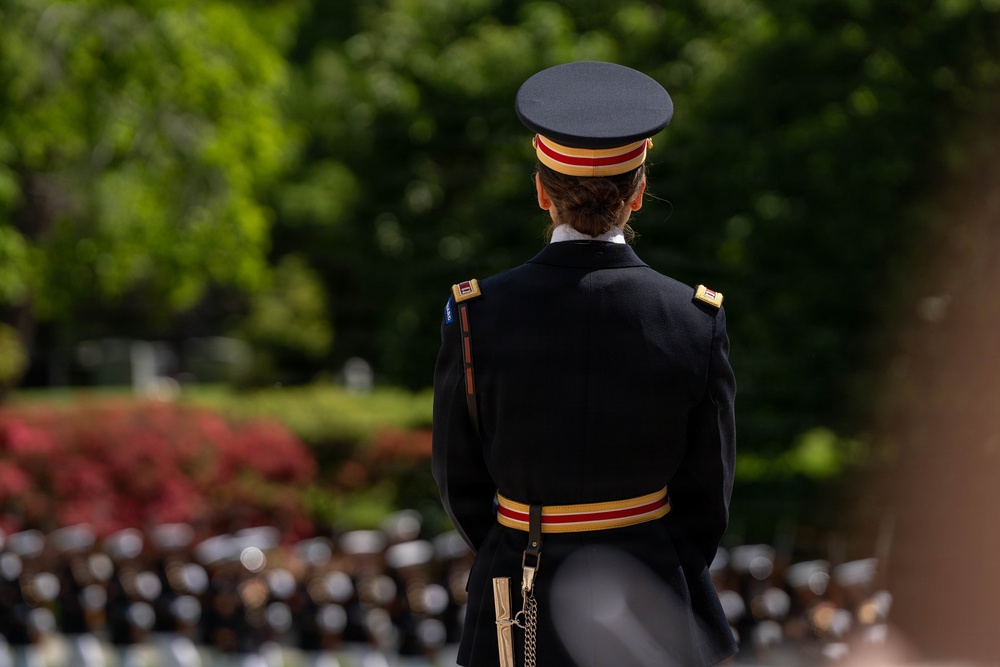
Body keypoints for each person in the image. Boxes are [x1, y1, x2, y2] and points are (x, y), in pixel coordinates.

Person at [432, 61, 737, 667]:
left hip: (520, 597)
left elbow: (456, 474)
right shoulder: (692, 316)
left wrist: (517, 536)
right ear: (639, 193)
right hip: (652, 594)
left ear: (541, 191)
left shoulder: (477, 312)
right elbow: (709, 492)